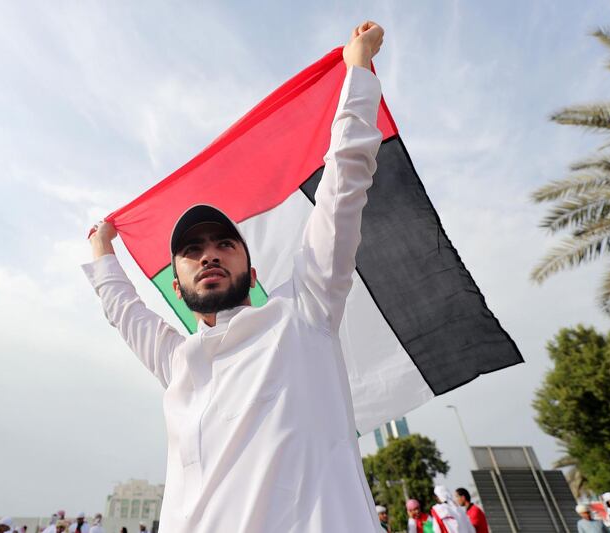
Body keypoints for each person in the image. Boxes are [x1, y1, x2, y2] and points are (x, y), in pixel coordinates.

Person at [85, 19, 386, 533]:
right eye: (192, 250)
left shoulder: (301, 315)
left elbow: (341, 192)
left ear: (252, 269)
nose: (209, 255)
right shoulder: (178, 361)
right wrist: (101, 253)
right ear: (175, 286)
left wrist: (356, 74)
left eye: (224, 243)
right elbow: (125, 312)